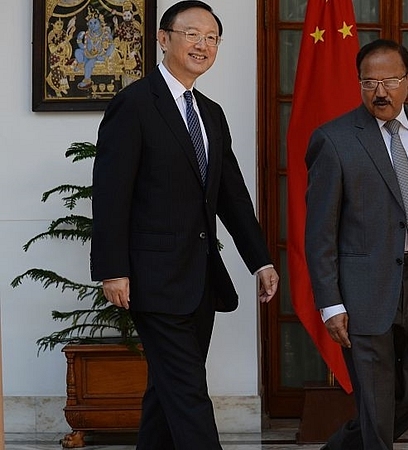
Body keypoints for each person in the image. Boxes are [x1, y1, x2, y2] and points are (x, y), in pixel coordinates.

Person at [90, 2, 279, 449]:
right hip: (153, 279)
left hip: (199, 278)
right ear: (163, 37)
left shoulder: (210, 113)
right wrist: (112, 268)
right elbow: (111, 193)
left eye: (211, 37)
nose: (203, 44)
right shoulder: (133, 105)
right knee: (190, 392)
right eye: (192, 33)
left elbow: (230, 195)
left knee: (168, 392)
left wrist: (260, 260)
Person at [304, 39, 408, 450]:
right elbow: (319, 231)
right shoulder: (334, 140)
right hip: (363, 289)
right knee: (374, 400)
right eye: (369, 82)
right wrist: (330, 302)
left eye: (390, 80)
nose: (380, 91)